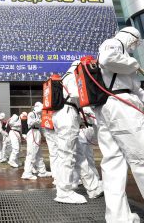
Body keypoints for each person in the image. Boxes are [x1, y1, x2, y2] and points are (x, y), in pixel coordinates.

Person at [95, 26, 144, 222]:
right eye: (136, 43)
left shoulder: (122, 61)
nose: (135, 47)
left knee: (113, 163)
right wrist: (133, 63)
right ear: (132, 38)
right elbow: (107, 59)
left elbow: (138, 92)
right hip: (122, 108)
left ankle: (118, 217)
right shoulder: (114, 44)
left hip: (110, 106)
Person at [52, 61, 103, 204]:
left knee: (79, 155)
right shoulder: (74, 76)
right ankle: (64, 192)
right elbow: (76, 94)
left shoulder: (67, 76)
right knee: (66, 155)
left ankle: (93, 188)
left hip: (66, 114)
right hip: (67, 114)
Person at [21, 105, 51, 180]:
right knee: (31, 153)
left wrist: (46, 136)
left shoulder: (38, 115)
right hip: (32, 132)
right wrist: (40, 121)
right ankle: (27, 173)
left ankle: (42, 171)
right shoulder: (31, 114)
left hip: (37, 133)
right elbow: (30, 123)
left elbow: (41, 127)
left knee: (38, 154)